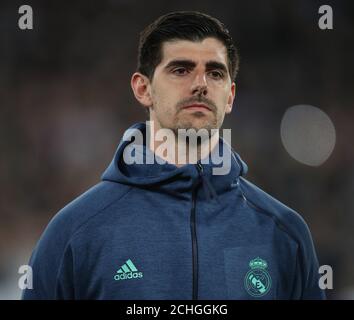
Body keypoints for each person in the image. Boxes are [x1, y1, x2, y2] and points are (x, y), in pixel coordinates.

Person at [22, 11, 325, 300]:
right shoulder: (75, 232)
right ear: (143, 89)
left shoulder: (284, 232)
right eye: (181, 70)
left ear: (230, 96)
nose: (200, 84)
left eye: (215, 73)